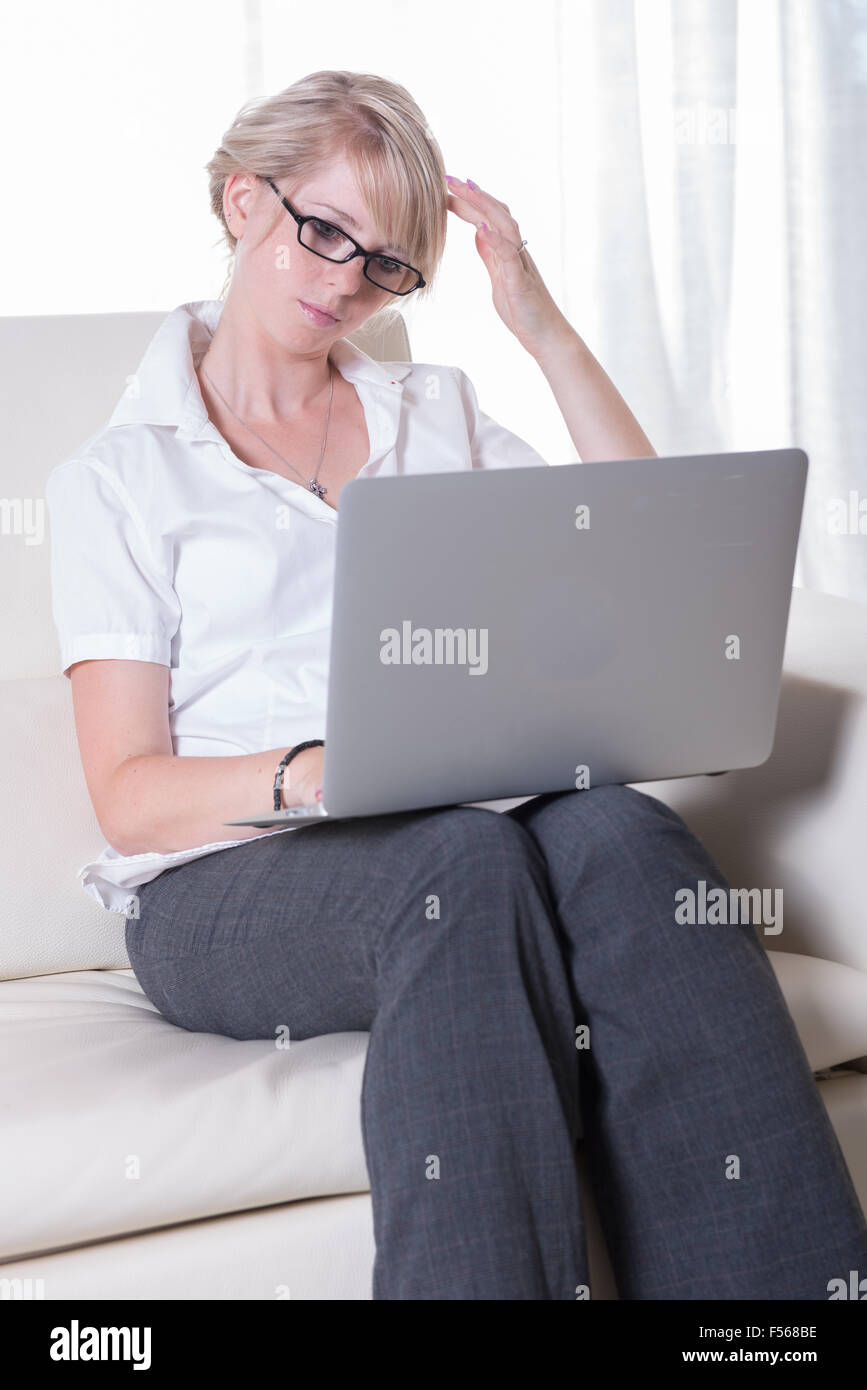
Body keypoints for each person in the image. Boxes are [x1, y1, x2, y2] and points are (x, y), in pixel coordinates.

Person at [45, 70, 867, 1300]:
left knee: (629, 836)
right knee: (458, 869)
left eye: (384, 266)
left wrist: (540, 325)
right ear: (240, 203)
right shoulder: (120, 476)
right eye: (323, 231)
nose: (343, 280)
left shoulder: (437, 410)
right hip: (222, 884)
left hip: (452, 824)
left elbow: (644, 540)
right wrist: (321, 774)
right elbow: (130, 795)